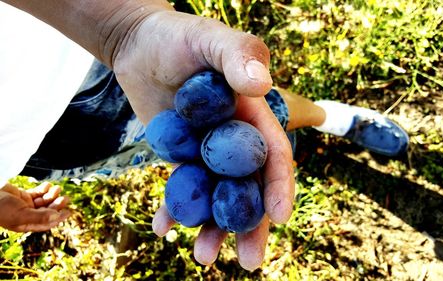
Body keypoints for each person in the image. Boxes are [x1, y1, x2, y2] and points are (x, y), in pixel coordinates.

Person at [0, 0, 408, 271]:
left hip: (82, 55)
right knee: (172, 147)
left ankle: (329, 116)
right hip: (42, 150)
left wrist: (124, 24)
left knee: (262, 111)